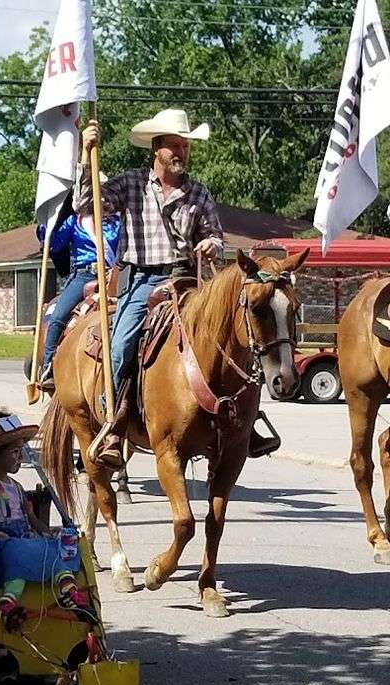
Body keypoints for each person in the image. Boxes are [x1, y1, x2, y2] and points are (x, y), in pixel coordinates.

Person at [75, 108, 223, 464]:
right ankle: (114, 422)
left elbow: (216, 235)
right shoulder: (130, 184)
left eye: (185, 146)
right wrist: (86, 155)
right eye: (174, 145)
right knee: (122, 343)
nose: (181, 152)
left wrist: (212, 245)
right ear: (156, 149)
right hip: (142, 279)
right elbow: (85, 203)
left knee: (229, 330)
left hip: (189, 278)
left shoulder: (198, 193)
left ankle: (238, 421)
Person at [0, 408, 94, 632]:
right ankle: (8, 604)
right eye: (14, 452)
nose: (19, 458)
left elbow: (32, 521)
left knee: (59, 546)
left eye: (21, 452)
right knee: (21, 551)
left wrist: (50, 533)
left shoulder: (17, 488)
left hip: (23, 539)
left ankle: (68, 590)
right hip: (3, 543)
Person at [38, 204, 121, 386]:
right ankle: (48, 366)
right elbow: (54, 244)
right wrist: (46, 226)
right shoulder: (75, 221)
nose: (103, 199)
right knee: (58, 316)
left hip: (114, 274)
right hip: (84, 275)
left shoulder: (118, 221)